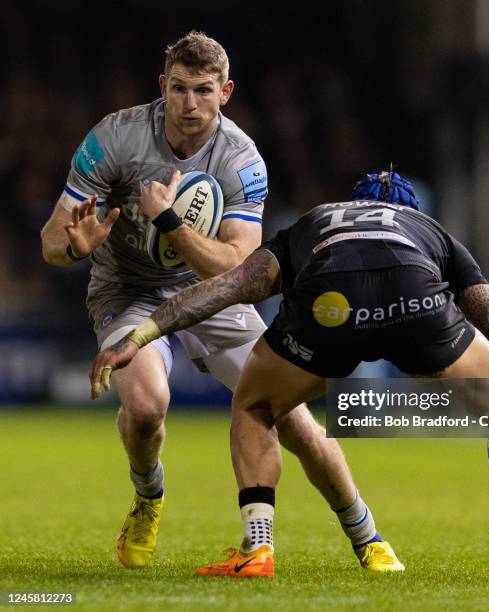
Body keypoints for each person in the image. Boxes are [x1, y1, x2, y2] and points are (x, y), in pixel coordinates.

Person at [41, 31, 397, 575]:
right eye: (179, 89)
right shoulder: (114, 138)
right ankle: (149, 497)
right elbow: (51, 241)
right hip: (127, 290)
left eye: (203, 90)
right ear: (162, 86)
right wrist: (74, 246)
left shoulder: (241, 158)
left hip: (217, 296)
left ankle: (366, 534)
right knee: (143, 407)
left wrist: (169, 223)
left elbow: (239, 268)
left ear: (225, 91)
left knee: (295, 420)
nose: (190, 104)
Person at [91, 170, 489, 580]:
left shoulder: (313, 221)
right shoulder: (428, 229)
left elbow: (228, 287)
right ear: (408, 210)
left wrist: (140, 335)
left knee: (255, 407)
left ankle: (258, 547)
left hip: (328, 306)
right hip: (414, 298)